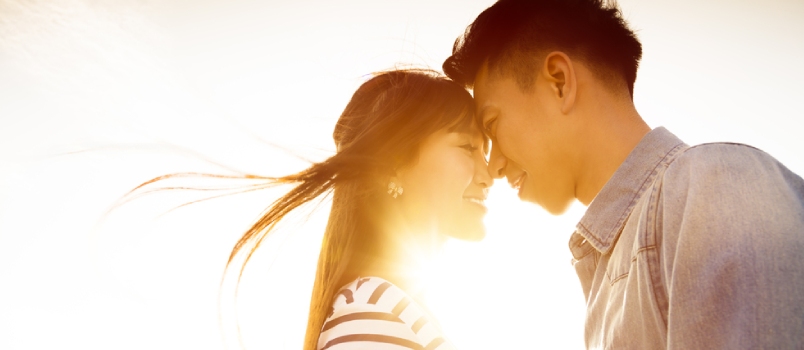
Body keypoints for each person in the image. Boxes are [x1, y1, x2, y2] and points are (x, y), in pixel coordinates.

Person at [442, 0, 804, 348]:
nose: (494, 165)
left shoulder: (714, 186)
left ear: (559, 82)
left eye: (492, 125)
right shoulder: (611, 271)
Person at [215, 69, 490, 350]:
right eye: (468, 147)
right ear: (392, 166)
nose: (489, 175)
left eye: (486, 153)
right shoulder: (373, 314)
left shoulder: (386, 309)